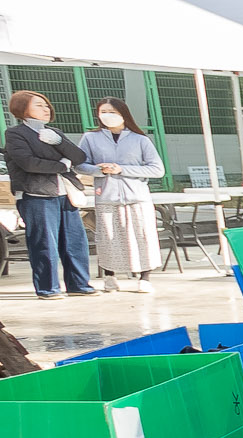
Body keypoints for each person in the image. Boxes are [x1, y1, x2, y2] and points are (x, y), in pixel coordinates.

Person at [4, 91, 96, 298]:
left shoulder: (55, 133)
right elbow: (28, 162)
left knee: (75, 241)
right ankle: (48, 287)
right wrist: (61, 165)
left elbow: (79, 157)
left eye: (46, 105)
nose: (46, 109)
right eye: (38, 105)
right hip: (36, 194)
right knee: (44, 242)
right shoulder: (15, 134)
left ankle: (79, 284)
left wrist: (59, 142)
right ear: (22, 108)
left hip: (65, 194)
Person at [78, 98, 164, 293]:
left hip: (137, 196)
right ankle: (109, 276)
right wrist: (99, 170)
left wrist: (122, 169)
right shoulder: (90, 138)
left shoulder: (140, 139)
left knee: (142, 236)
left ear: (123, 113)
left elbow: (157, 169)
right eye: (103, 111)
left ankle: (145, 276)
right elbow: (80, 164)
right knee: (108, 236)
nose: (107, 115)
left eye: (112, 111)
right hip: (107, 196)